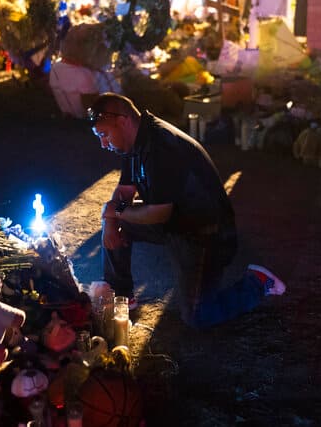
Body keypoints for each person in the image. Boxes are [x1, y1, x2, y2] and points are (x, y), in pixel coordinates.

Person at [88, 93, 285, 328]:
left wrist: (115, 211)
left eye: (104, 134)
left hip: (203, 232)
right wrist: (111, 219)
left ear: (123, 121)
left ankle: (257, 282)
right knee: (115, 218)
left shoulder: (162, 146)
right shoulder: (135, 142)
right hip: (174, 221)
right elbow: (124, 192)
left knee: (197, 316)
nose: (102, 143)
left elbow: (157, 213)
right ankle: (121, 295)